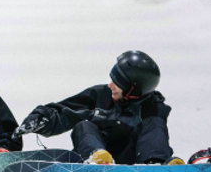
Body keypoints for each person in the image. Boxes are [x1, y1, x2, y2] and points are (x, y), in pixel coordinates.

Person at [14, 51, 180, 165]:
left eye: (118, 83)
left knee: (155, 125)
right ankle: (98, 160)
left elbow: (154, 138)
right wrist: (43, 118)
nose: (110, 85)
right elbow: (65, 110)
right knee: (84, 125)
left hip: (136, 159)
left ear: (133, 91)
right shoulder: (101, 95)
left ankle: (156, 166)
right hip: (98, 153)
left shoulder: (153, 108)